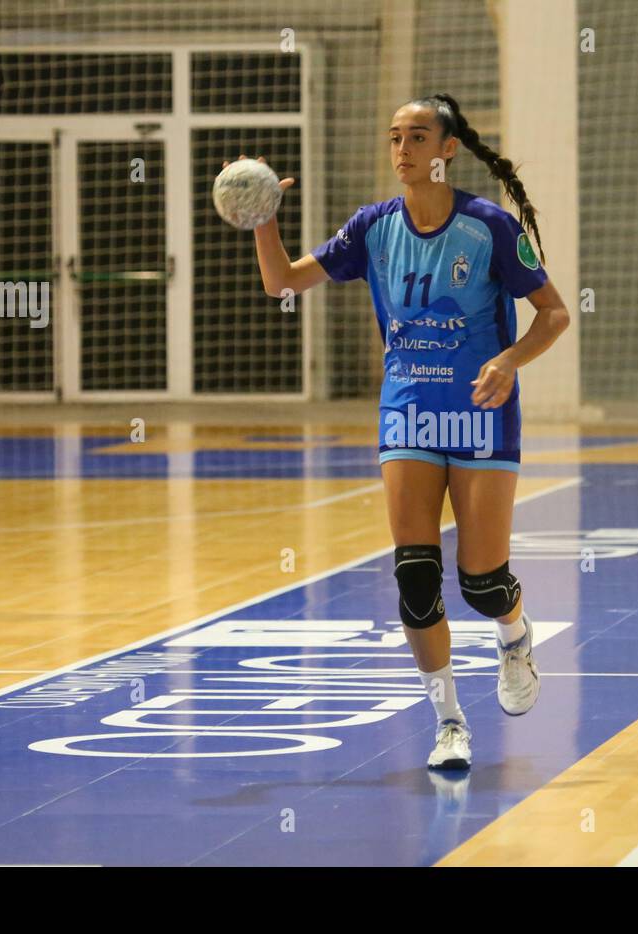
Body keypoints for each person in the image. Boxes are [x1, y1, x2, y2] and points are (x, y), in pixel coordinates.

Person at [237, 93, 570, 770]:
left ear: (447, 149)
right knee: (416, 580)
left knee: (480, 582)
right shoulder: (372, 228)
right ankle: (450, 723)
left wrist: (509, 361)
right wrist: (262, 221)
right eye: (394, 137)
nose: (402, 149)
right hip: (408, 413)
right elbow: (281, 282)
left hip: (480, 414)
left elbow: (555, 314)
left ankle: (513, 636)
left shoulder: (489, 229)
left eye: (417, 136)